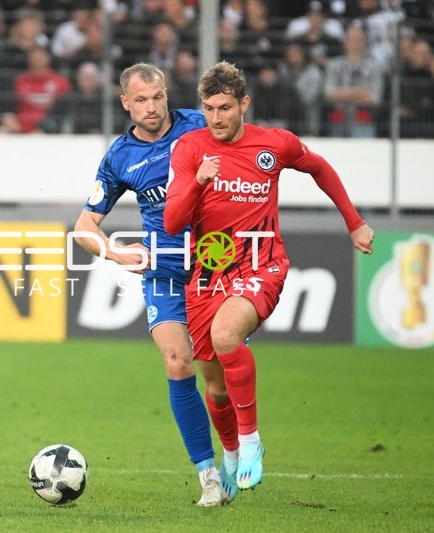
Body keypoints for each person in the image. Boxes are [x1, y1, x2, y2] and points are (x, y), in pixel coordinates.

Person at [163, 60, 374, 495]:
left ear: (244, 103)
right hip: (206, 274)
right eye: (208, 109)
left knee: (226, 336)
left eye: (224, 108)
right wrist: (197, 183)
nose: (216, 118)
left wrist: (353, 222)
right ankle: (233, 454)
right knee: (215, 389)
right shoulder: (189, 149)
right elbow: (172, 223)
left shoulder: (275, 144)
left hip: (262, 265)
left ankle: (251, 439)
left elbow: (320, 168)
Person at [73, 63, 234, 507]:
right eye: (141, 100)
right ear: (125, 102)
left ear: (167, 94)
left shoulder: (199, 125)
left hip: (213, 264)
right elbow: (85, 227)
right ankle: (207, 477)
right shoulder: (120, 157)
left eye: (158, 96)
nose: (152, 107)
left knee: (215, 380)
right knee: (177, 362)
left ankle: (237, 452)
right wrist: (120, 255)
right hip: (163, 269)